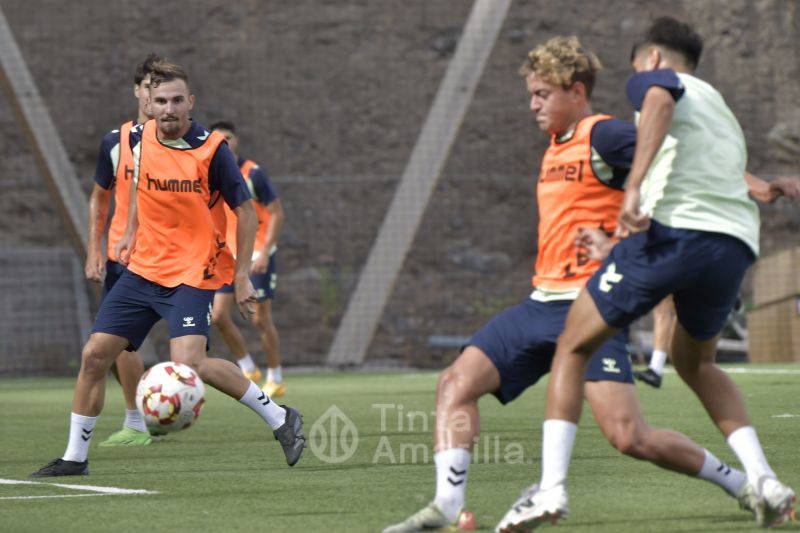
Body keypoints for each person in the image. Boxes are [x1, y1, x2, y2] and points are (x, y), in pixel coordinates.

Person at [382, 36, 756, 533]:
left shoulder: (604, 136)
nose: (532, 104)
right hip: (540, 304)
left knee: (629, 437)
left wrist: (757, 184)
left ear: (575, 91)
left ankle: (741, 484)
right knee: (455, 383)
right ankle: (446, 507)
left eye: (542, 94)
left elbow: (681, 152)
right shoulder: (555, 146)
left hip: (591, 308)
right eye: (531, 94)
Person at [496, 18, 796, 532]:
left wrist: (631, 189)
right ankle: (765, 481)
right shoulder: (717, 108)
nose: (639, 81)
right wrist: (765, 188)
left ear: (652, 59)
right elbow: (716, 170)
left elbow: (656, 100)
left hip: (678, 235)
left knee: (572, 343)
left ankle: (550, 490)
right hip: (734, 245)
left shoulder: (653, 80)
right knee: (696, 363)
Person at [31, 59, 305, 477]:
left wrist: (242, 274)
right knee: (93, 356)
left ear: (190, 102)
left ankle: (281, 419)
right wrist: (128, 233)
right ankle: (74, 458)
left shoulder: (212, 150)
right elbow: (141, 187)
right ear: (148, 103)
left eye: (177, 99)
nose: (169, 108)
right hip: (142, 270)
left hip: (192, 273)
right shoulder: (136, 141)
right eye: (161, 100)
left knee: (189, 365)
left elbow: (246, 211)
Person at [635, 175, 800, 389]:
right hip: (668, 229)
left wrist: (769, 188)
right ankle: (656, 368)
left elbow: (759, 189)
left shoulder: (707, 154)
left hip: (699, 234)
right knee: (666, 307)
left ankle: (721, 289)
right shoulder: (656, 161)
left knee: (694, 362)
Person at [84, 53, 161, 446]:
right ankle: (139, 418)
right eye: (149, 88)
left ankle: (147, 412)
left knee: (189, 353)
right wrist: (94, 251)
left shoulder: (181, 143)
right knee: (111, 345)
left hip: (168, 258)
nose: (154, 96)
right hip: (122, 259)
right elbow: (99, 200)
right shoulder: (116, 142)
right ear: (137, 91)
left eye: (161, 89)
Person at [208, 121, 287, 397]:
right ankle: (247, 366)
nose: (224, 142)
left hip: (255, 255)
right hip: (228, 254)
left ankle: (275, 376)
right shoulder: (212, 173)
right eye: (218, 138)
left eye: (228, 137)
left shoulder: (253, 173)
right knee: (217, 315)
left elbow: (276, 213)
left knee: (260, 319)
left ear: (236, 140)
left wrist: (265, 251)